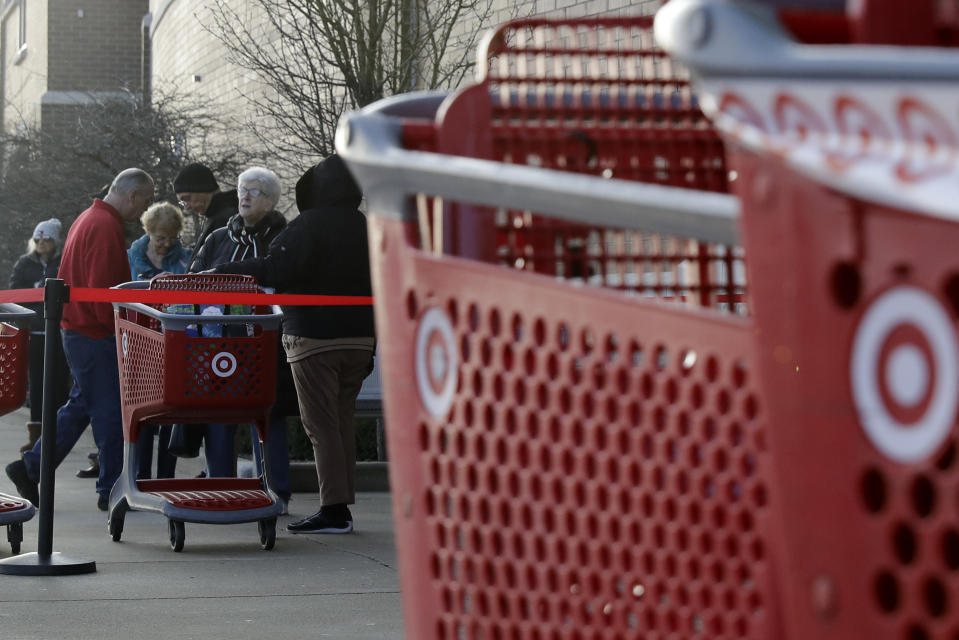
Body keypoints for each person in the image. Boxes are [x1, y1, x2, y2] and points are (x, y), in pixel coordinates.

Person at [212, 154, 374, 534]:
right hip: (360, 339)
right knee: (342, 423)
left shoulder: (308, 226)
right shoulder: (365, 226)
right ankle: (341, 505)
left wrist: (223, 270)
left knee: (320, 425)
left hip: (313, 339)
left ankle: (334, 510)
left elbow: (273, 268)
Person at [5, 168, 155, 510]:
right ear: (132, 195)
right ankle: (112, 490)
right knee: (110, 413)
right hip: (94, 332)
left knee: (82, 407)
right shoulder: (105, 227)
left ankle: (30, 467)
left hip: (80, 329)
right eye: (145, 201)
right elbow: (104, 292)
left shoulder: (90, 219)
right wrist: (119, 333)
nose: (143, 210)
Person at [189, 166, 293, 510]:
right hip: (216, 342)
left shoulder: (282, 239)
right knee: (218, 414)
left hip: (265, 344)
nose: (245, 196)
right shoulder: (219, 237)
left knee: (267, 415)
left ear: (271, 200)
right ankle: (220, 489)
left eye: (255, 191)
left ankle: (276, 491)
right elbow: (193, 279)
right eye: (241, 189)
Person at [127, 202, 190, 480]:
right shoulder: (130, 256)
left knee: (170, 410)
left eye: (172, 237)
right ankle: (140, 475)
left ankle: (166, 476)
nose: (166, 244)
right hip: (138, 342)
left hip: (173, 342)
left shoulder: (185, 259)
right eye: (160, 237)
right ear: (148, 231)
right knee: (142, 412)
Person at [8, 219, 71, 454]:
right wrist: (36, 295)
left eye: (46, 240)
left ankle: (57, 431)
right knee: (36, 381)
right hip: (34, 329)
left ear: (54, 241)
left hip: (58, 330)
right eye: (38, 240)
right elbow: (16, 292)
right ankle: (36, 434)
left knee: (58, 380)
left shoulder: (62, 262)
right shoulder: (25, 263)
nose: (42, 244)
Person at [173, 163, 237, 265]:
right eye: (183, 202)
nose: (187, 207)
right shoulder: (219, 215)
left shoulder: (223, 220)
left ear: (203, 189)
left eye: (187, 199)